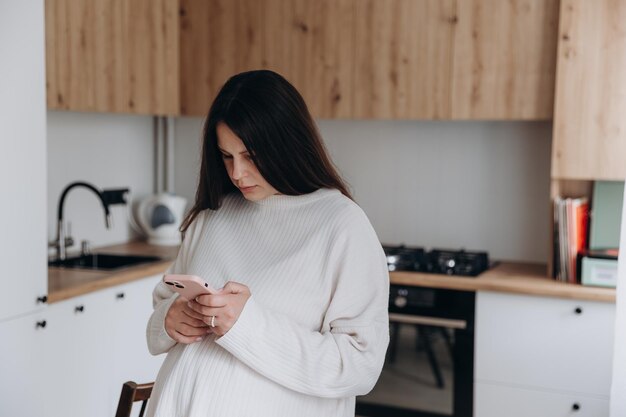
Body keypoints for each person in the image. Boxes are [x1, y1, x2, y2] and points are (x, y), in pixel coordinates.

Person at [145, 70, 389, 417]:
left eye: (250, 155)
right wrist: (170, 320)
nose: (236, 173)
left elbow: (359, 366)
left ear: (286, 144)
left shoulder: (341, 225)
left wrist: (246, 325)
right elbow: (162, 303)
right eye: (226, 156)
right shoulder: (212, 216)